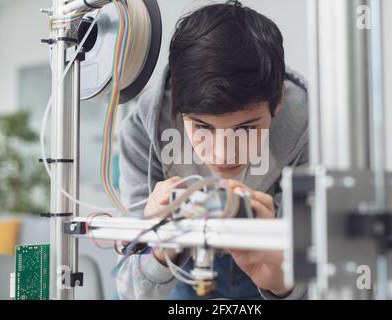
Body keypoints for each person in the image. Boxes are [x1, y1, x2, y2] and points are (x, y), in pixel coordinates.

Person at [117, 0, 308, 300]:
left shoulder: (303, 125)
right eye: (203, 127)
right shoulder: (142, 130)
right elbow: (131, 288)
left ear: (278, 101)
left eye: (245, 129)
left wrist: (284, 284)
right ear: (177, 109)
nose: (222, 154)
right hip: (180, 262)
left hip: (264, 256)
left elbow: (314, 272)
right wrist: (159, 243)